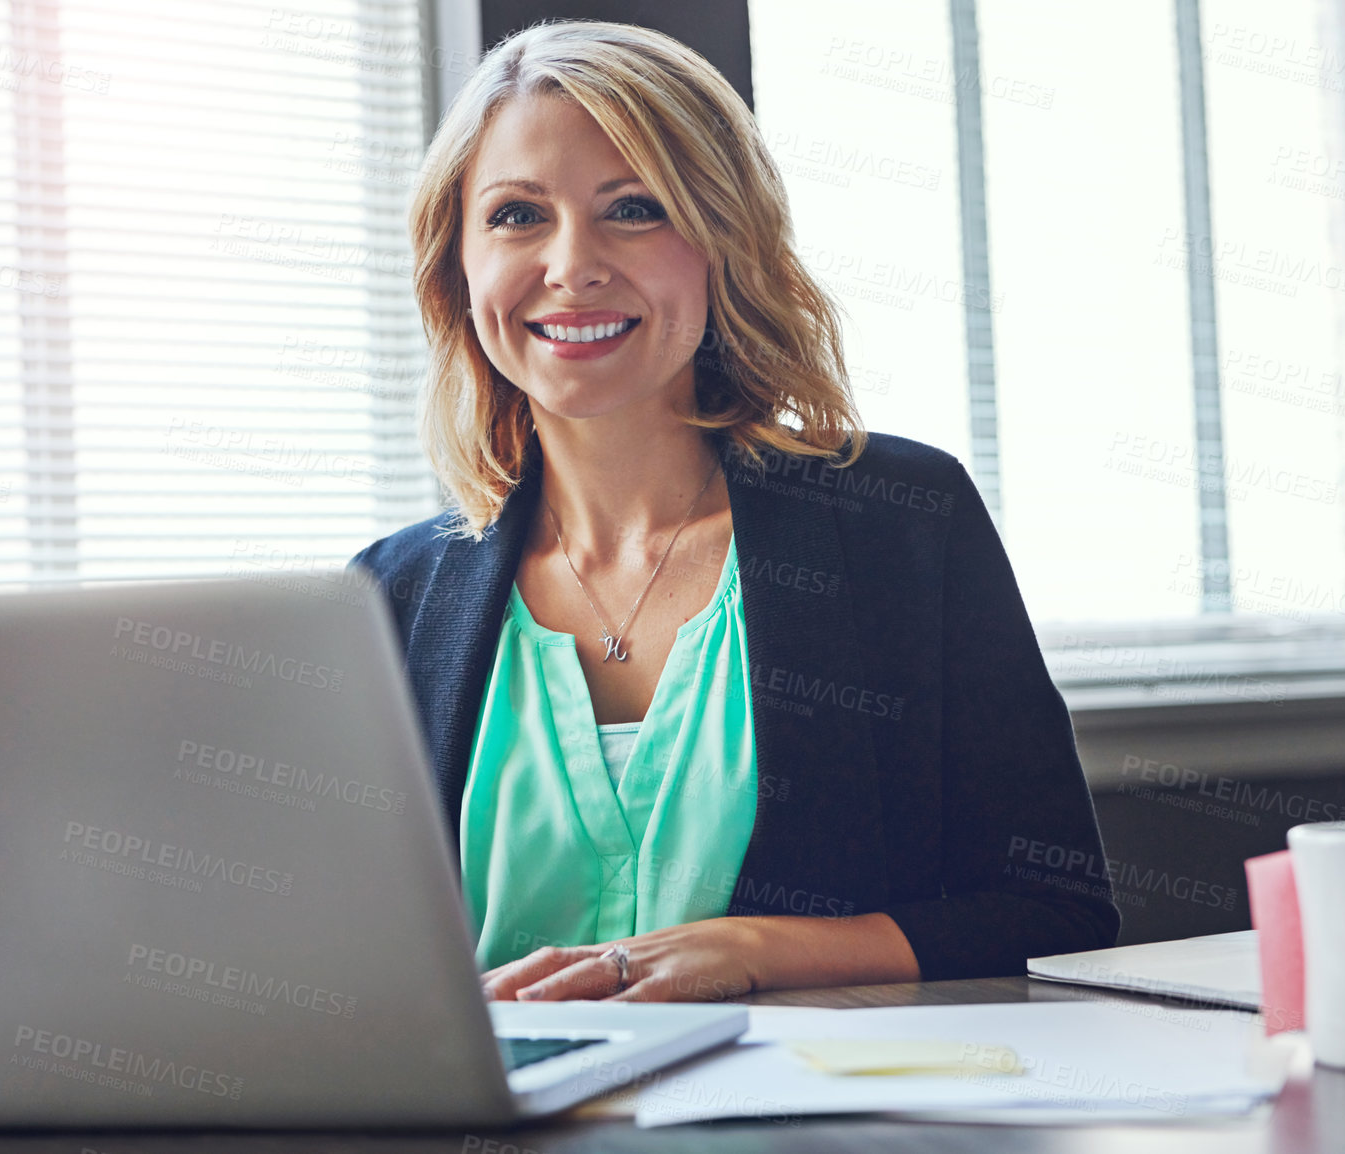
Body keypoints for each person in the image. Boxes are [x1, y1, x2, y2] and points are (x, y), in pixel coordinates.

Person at [351, 19, 1118, 1004]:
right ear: (455, 263)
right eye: (515, 216)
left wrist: (760, 946)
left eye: (633, 208)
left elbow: (1055, 910)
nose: (572, 264)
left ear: (723, 241)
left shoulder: (904, 524)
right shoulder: (389, 594)